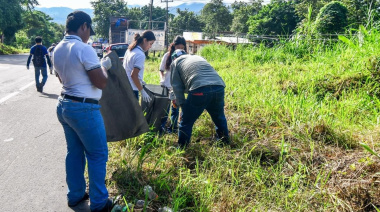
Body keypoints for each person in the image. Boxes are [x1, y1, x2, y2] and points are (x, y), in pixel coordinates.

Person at [53, 11, 114, 212]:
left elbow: (62, 79)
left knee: (74, 152)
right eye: (89, 30)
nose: (89, 35)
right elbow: (101, 82)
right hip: (84, 108)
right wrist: (104, 66)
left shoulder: (58, 48)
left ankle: (76, 195)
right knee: (97, 154)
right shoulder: (83, 48)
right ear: (84, 26)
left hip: (64, 105)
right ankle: (99, 204)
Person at [170, 49, 230, 149]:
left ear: (174, 58)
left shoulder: (175, 62)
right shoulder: (197, 57)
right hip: (219, 86)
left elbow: (176, 86)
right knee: (219, 117)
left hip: (200, 89)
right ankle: (225, 143)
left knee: (186, 121)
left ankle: (182, 148)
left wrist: (183, 106)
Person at [158, 36, 187, 134]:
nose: (179, 49)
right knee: (164, 108)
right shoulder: (167, 55)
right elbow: (161, 70)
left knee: (175, 108)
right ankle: (162, 127)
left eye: (182, 47)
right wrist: (162, 79)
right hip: (167, 85)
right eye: (177, 47)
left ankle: (173, 128)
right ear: (173, 46)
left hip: (177, 87)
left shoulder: (185, 57)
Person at [122, 30, 156, 103]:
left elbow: (128, 69)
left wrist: (140, 80)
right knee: (133, 114)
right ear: (145, 40)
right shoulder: (140, 54)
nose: (150, 47)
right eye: (150, 43)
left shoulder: (130, 50)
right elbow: (134, 75)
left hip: (124, 87)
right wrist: (142, 91)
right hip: (133, 89)